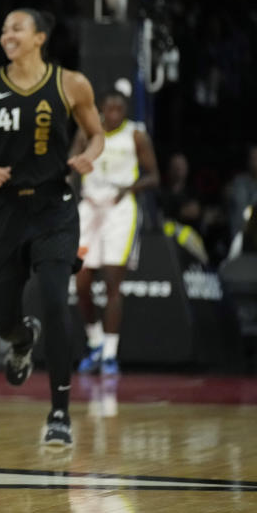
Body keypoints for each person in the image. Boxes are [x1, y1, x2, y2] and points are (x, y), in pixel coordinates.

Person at [0, 8, 104, 447]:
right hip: (2, 212)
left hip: (54, 209)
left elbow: (96, 133)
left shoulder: (71, 83)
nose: (6, 35)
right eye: (2, 29)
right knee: (4, 320)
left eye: (16, 28)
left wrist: (89, 155)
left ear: (40, 37)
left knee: (56, 300)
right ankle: (21, 341)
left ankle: (60, 412)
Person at [75, 89, 159, 376]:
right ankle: (95, 341)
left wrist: (129, 188)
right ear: (101, 108)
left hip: (118, 211)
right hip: (89, 210)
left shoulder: (135, 135)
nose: (113, 114)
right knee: (81, 282)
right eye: (109, 109)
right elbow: (70, 162)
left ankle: (110, 354)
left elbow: (153, 176)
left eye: (119, 110)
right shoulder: (88, 130)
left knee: (112, 281)